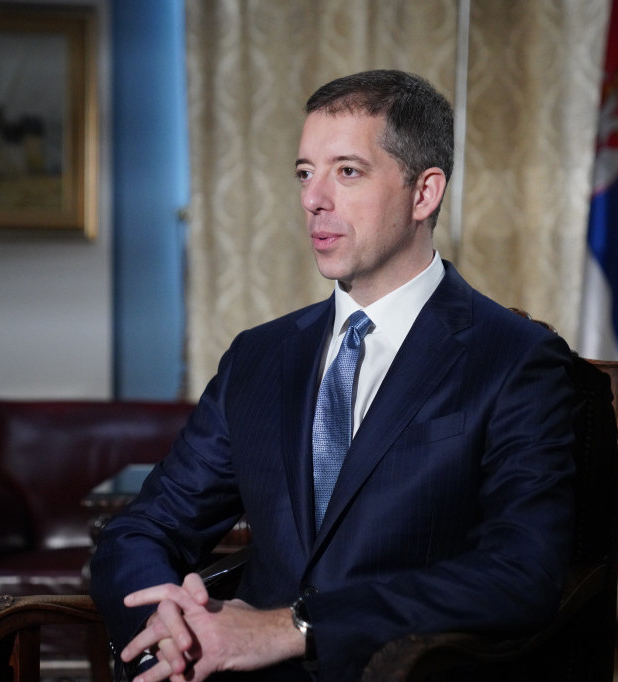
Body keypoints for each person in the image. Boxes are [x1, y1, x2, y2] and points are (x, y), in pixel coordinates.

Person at [89, 69, 577, 682]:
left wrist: (292, 628)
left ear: (424, 193)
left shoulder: (516, 359)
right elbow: (145, 528)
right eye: (304, 173)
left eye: (347, 171)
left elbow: (520, 573)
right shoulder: (259, 356)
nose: (313, 199)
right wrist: (167, 626)